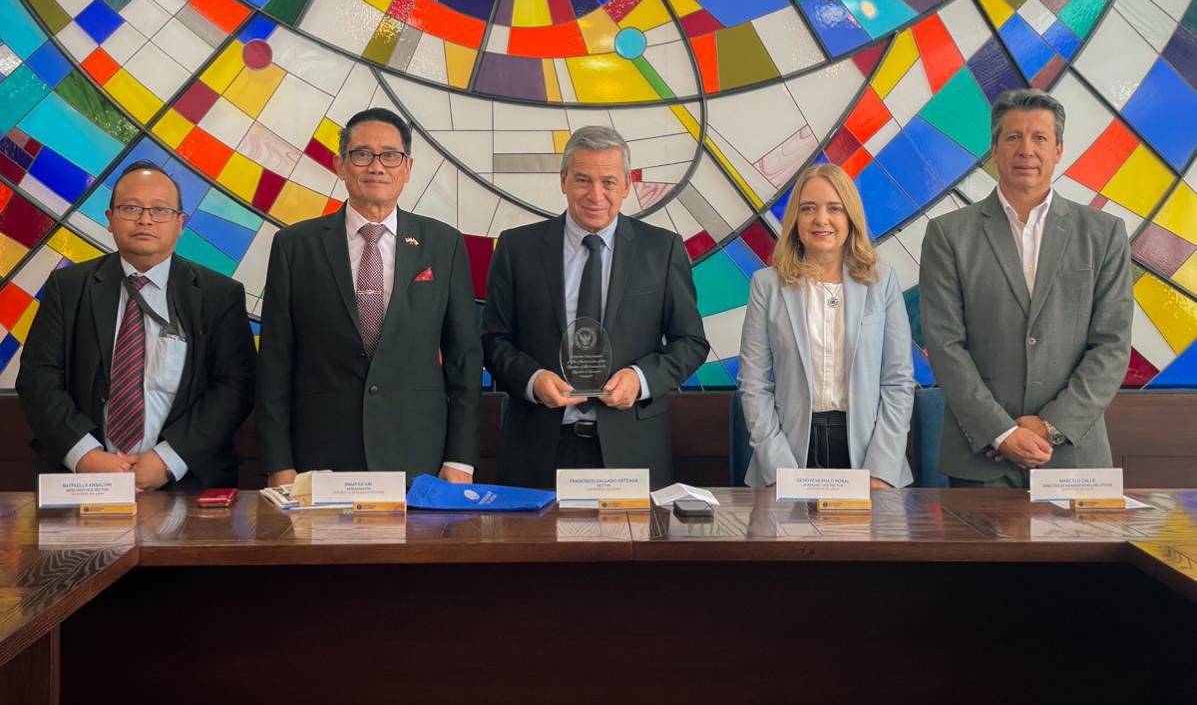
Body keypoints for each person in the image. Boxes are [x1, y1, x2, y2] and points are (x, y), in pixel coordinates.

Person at [256, 108, 481, 486]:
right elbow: (275, 361)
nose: (377, 166)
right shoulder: (295, 246)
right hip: (321, 453)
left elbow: (464, 359)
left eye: (390, 155)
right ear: (340, 165)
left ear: (407, 168)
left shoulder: (444, 244)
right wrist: (279, 464)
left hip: (419, 454)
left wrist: (461, 459)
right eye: (362, 154)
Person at [920, 88, 1132, 487]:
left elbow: (1112, 345)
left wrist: (1050, 426)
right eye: (1013, 137)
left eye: (1040, 138)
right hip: (982, 458)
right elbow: (945, 344)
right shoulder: (949, 235)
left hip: (1073, 457)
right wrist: (1001, 431)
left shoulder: (1103, 233)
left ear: (1058, 150)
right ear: (994, 149)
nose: (1026, 150)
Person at [482, 126, 709, 489]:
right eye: (583, 180)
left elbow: (691, 342)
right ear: (563, 181)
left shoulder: (662, 250)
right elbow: (494, 340)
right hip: (536, 448)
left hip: (632, 447)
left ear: (627, 186)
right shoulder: (516, 248)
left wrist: (641, 379)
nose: (595, 195)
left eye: (608, 182)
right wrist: (532, 380)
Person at [17, 161, 256, 491]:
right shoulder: (68, 287)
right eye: (131, 208)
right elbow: (38, 376)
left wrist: (168, 460)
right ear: (110, 218)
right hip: (82, 481)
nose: (145, 219)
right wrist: (85, 456)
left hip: (187, 481)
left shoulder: (219, 295)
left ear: (180, 223)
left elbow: (236, 386)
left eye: (160, 210)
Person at [738, 163, 914, 487]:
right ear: (795, 219)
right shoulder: (766, 285)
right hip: (788, 452)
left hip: (869, 455)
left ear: (850, 217)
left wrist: (880, 471)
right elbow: (754, 384)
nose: (821, 219)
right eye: (808, 208)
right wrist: (779, 471)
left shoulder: (882, 283)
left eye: (834, 208)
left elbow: (898, 381)